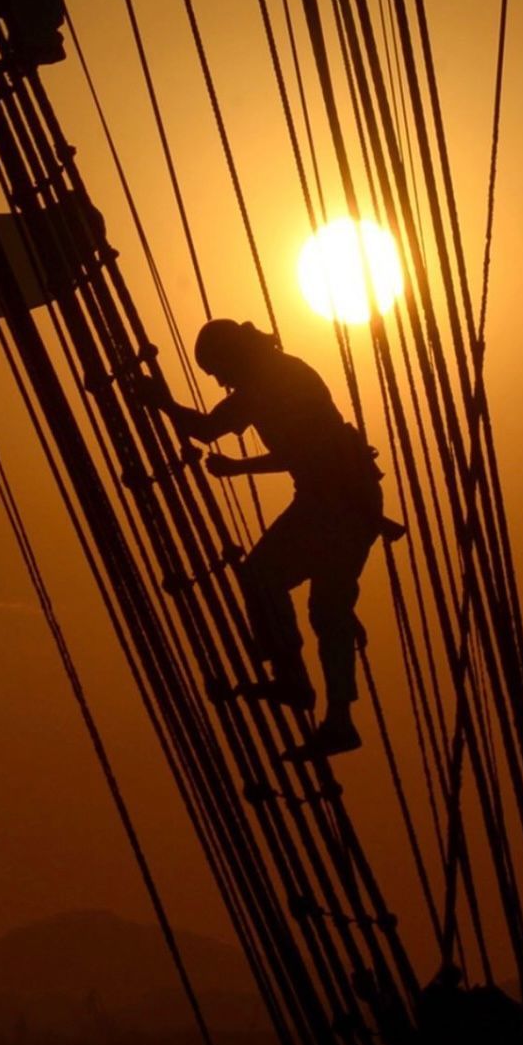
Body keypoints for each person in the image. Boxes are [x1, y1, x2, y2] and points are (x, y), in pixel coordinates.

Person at [143, 319, 394, 756]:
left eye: (219, 370)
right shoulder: (274, 377)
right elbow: (223, 433)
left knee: (266, 578)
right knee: (326, 608)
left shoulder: (274, 382)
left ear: (233, 356)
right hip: (342, 500)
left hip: (337, 502)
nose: (221, 381)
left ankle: (298, 683)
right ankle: (327, 711)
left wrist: (162, 404)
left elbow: (223, 433)